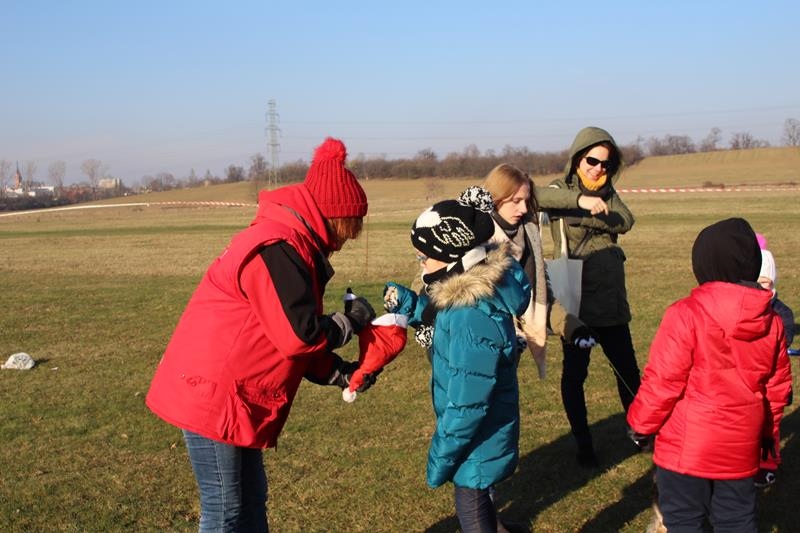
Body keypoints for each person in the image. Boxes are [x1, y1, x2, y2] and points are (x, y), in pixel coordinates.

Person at [145, 137, 378, 532]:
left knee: (251, 501)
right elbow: (300, 335)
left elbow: (282, 332)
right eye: (349, 226)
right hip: (213, 395)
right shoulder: (278, 248)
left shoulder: (295, 245)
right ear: (333, 215)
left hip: (235, 395)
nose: (348, 238)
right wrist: (352, 321)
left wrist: (338, 372)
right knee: (225, 509)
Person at [627, 217, 792, 532]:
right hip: (741, 447)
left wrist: (640, 425)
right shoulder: (772, 322)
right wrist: (767, 445)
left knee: (684, 520)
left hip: (686, 450)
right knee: (737, 522)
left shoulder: (684, 313)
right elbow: (776, 393)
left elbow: (663, 380)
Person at [384, 190, 531, 533]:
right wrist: (411, 305)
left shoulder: (469, 314)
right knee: (480, 494)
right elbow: (442, 321)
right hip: (481, 435)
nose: (421, 263)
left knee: (471, 501)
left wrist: (442, 454)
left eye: (424, 256)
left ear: (452, 257)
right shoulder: (466, 298)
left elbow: (468, 401)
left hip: (477, 437)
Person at [536, 126, 642, 467]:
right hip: (576, 299)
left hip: (611, 300)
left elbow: (626, 220)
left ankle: (641, 433)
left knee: (627, 371)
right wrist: (582, 204)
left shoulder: (609, 192)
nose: (598, 169)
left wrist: (593, 217)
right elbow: (537, 197)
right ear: (577, 158)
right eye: (592, 161)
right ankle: (584, 444)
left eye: (605, 164)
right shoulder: (559, 190)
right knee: (574, 375)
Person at [479, 165, 597, 380]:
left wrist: (573, 327)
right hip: (477, 352)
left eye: (526, 200)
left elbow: (542, 299)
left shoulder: (530, 236)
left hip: (511, 354)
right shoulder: (472, 236)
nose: (524, 209)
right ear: (495, 198)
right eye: (516, 201)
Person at [755, 245, 795, 487]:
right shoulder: (748, 309)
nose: (761, 288)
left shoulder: (781, 313)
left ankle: (767, 464)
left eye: (765, 283)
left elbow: (785, 338)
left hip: (774, 382)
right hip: (753, 380)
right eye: (756, 282)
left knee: (770, 426)